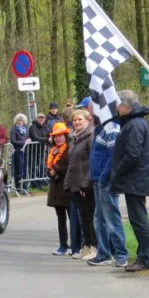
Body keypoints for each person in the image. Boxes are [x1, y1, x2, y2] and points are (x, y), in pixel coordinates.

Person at [110, 90, 149, 273]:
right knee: (138, 219)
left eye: (118, 105)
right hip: (136, 179)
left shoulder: (135, 125)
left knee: (139, 220)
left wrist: (118, 173)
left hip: (135, 179)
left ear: (126, 106)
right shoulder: (135, 123)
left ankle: (146, 258)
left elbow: (133, 154)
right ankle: (143, 255)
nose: (116, 108)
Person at [86, 97, 129, 268]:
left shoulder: (111, 129)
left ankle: (121, 254)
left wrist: (104, 177)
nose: (88, 112)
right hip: (98, 180)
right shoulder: (101, 128)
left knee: (111, 218)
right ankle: (104, 253)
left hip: (106, 181)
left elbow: (113, 156)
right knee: (99, 219)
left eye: (90, 108)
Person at [63, 109, 96, 261]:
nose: (76, 122)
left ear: (88, 120)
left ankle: (94, 247)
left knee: (90, 217)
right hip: (74, 184)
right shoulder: (74, 138)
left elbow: (92, 163)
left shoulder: (90, 137)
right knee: (83, 218)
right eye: (74, 120)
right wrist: (67, 183)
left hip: (85, 185)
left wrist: (86, 184)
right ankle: (87, 246)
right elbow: (72, 163)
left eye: (80, 120)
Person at [45, 122, 74, 256]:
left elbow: (68, 168)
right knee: (60, 218)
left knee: (72, 217)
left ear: (65, 135)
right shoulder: (53, 150)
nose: (58, 138)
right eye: (56, 136)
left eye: (61, 136)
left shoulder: (69, 149)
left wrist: (55, 169)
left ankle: (75, 245)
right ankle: (63, 244)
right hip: (56, 188)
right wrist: (50, 171)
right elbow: (49, 166)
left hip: (66, 187)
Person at [10, 114, 30, 190]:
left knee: (25, 169)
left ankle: (24, 186)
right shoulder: (13, 129)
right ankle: (18, 187)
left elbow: (29, 138)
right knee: (18, 169)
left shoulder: (26, 129)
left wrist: (29, 141)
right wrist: (24, 142)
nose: (20, 122)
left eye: (22, 120)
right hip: (17, 151)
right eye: (19, 120)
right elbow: (13, 141)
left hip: (26, 151)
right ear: (16, 121)